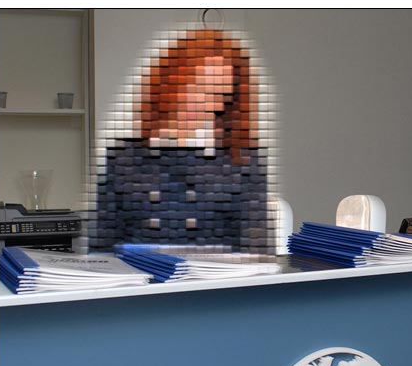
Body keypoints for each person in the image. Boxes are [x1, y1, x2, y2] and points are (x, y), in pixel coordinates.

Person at [91, 28, 276, 254]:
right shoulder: (123, 158)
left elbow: (257, 251)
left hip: (215, 274)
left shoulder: (243, 160)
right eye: (197, 87)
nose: (207, 104)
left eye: (218, 95)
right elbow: (101, 249)